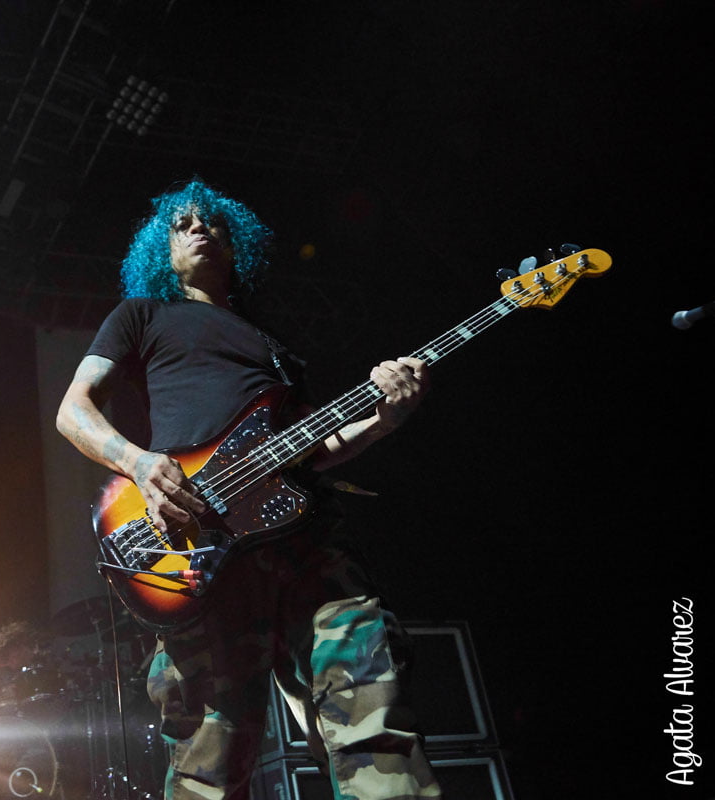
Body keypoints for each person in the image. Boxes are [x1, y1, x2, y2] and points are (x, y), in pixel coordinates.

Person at [56, 179, 442, 800]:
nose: (199, 228)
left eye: (212, 221)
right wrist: (140, 464)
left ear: (236, 245)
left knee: (372, 701)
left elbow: (317, 451)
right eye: (182, 223)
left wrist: (386, 419)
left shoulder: (276, 349)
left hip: (307, 538)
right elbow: (73, 410)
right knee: (211, 751)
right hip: (197, 541)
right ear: (161, 248)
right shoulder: (143, 315)